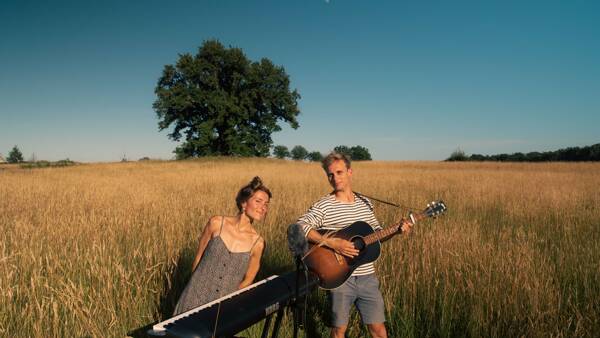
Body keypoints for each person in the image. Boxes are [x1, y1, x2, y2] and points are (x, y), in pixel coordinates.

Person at [296, 152, 412, 338]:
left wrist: (396, 231)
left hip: (367, 277)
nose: (335, 178)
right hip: (339, 278)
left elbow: (377, 237)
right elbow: (300, 227)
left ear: (350, 172)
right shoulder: (324, 205)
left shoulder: (365, 204)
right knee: (339, 331)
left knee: (379, 330)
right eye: (330, 175)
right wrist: (332, 243)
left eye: (339, 172)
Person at [172, 176, 270, 315]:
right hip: (193, 296)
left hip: (222, 308)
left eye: (266, 204)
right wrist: (193, 287)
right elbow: (198, 257)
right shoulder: (216, 223)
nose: (263, 208)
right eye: (258, 201)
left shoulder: (258, 243)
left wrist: (229, 299)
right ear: (243, 202)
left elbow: (248, 280)